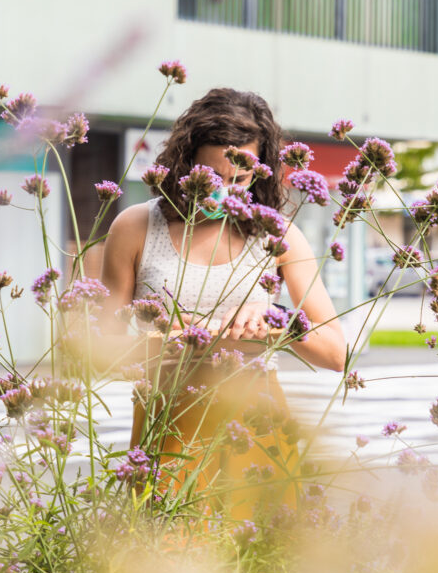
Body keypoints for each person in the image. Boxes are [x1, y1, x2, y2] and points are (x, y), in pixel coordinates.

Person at [100, 87, 346, 518]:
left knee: (260, 553)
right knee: (166, 549)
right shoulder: (136, 227)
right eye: (212, 178)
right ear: (184, 164)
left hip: (256, 426)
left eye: (239, 180)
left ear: (260, 173)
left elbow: (335, 354)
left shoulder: (278, 234)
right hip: (167, 422)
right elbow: (98, 350)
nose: (224, 193)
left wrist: (275, 320)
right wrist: (165, 342)